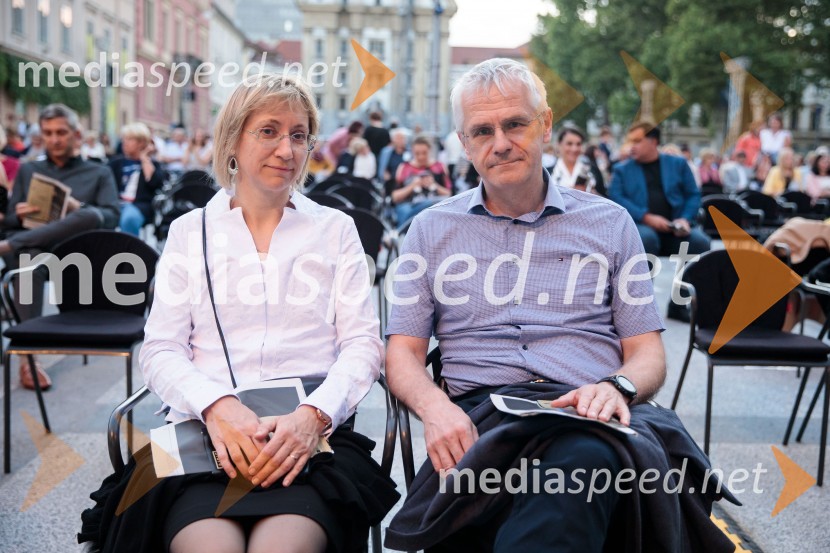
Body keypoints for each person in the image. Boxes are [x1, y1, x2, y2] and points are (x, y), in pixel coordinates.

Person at [383, 58, 735, 553]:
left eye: (515, 124)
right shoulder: (430, 230)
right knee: (580, 471)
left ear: (545, 124)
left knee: (584, 459)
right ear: (464, 144)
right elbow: (401, 354)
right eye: (482, 130)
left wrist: (618, 386)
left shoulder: (610, 224)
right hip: (480, 419)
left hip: (586, 406)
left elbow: (647, 354)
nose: (501, 142)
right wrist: (434, 408)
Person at [79, 73, 398, 553]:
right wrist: (216, 405)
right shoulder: (190, 232)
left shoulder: (336, 230)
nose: (286, 150)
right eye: (268, 131)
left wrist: (313, 415)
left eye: (298, 135)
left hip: (309, 438)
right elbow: (162, 348)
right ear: (232, 140)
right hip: (205, 434)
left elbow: (362, 345)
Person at [1, 104, 120, 390]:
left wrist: (76, 208)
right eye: (48, 133)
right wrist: (18, 214)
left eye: (61, 133)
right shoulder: (30, 170)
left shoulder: (99, 172)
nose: (55, 139)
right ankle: (28, 361)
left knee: (89, 214)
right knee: (29, 259)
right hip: (37, 250)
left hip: (81, 256)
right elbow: (8, 221)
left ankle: (7, 247)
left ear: (76, 135)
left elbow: (111, 217)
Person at [610, 122, 710, 321]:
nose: (632, 146)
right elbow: (616, 198)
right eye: (631, 141)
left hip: (674, 228)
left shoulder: (678, 164)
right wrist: (646, 217)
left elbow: (693, 194)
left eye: (637, 141)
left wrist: (685, 219)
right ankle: (641, 308)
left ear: (653, 142)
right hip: (641, 226)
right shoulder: (622, 169)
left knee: (700, 242)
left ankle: (678, 304)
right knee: (646, 239)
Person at [107, 123, 166, 235]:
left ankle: (129, 251)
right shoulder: (115, 163)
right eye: (124, 139)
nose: (125, 142)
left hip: (139, 206)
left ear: (141, 142)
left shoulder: (152, 164)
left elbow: (154, 183)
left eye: (129, 139)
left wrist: (144, 158)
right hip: (115, 204)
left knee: (129, 218)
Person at [392, 135, 451, 227]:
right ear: (412, 152)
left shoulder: (439, 167)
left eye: (424, 153)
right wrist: (413, 185)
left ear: (430, 151)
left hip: (434, 207)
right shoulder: (404, 167)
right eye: (417, 153)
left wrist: (434, 185)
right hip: (410, 207)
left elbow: (449, 194)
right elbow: (395, 197)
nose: (421, 157)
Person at [550, 126, 595, 192]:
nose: (574, 149)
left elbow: (604, 198)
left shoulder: (592, 170)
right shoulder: (548, 172)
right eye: (569, 144)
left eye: (578, 144)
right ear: (559, 145)